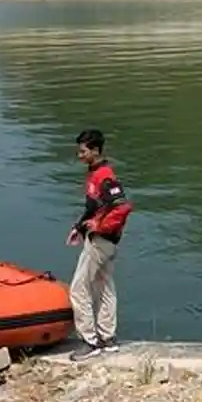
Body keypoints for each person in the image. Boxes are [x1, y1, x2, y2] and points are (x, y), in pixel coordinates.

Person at [67, 129, 134, 362]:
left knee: (79, 288)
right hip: (102, 240)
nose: (79, 155)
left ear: (95, 150)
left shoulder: (105, 176)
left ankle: (89, 341)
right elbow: (94, 207)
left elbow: (122, 207)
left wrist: (100, 228)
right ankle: (108, 338)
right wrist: (79, 226)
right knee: (104, 286)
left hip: (102, 242)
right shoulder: (95, 173)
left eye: (83, 151)